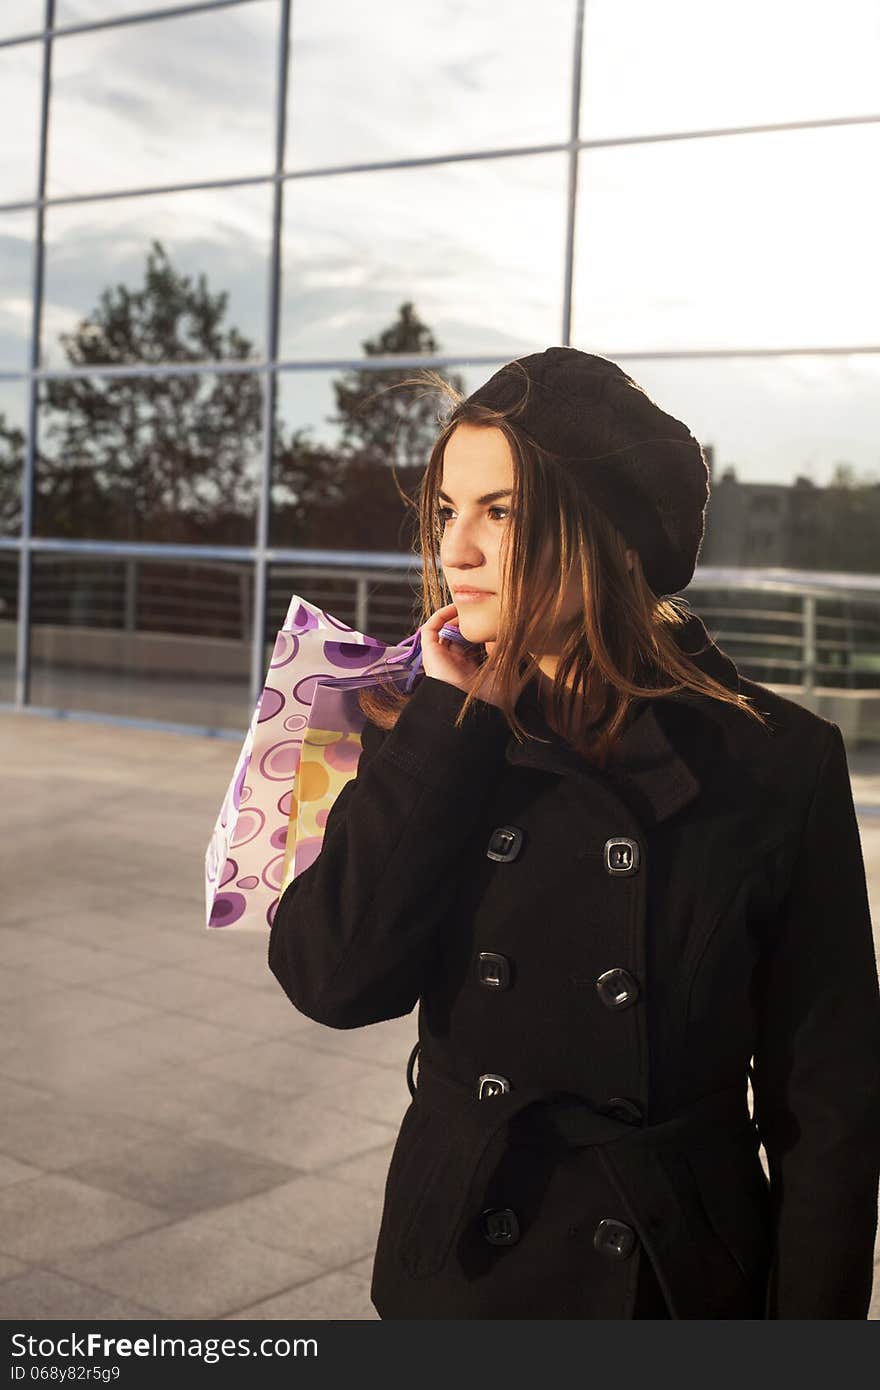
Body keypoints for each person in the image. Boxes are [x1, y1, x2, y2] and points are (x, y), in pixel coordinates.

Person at [267, 346, 880, 1319]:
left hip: (669, 1280)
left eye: (499, 511)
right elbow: (330, 981)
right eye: (444, 511)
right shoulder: (430, 723)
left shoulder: (776, 762)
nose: (452, 550)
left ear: (614, 530)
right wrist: (441, 729)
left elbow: (830, 1111)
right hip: (461, 1264)